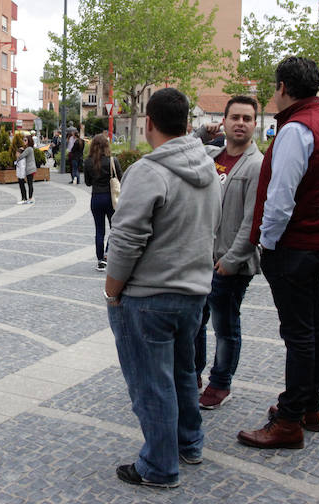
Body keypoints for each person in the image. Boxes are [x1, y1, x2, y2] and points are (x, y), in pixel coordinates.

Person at [104, 88, 221, 489]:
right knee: (183, 374)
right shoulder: (208, 169)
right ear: (187, 123)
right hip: (193, 293)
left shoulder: (148, 172)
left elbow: (126, 238)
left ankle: (158, 466)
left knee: (151, 383)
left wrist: (111, 290)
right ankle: (190, 444)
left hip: (149, 297)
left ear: (149, 123)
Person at [237, 56, 319, 450]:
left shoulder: (296, 129)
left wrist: (267, 242)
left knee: (299, 335)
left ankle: (289, 421)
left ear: (283, 87)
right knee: (314, 328)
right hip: (318, 242)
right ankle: (308, 407)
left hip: (294, 247)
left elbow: (280, 198)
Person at [191, 96, 263, 410]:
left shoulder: (258, 165)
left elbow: (254, 220)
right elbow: (182, 148)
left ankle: (221, 382)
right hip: (202, 259)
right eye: (235, 117)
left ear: (254, 124)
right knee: (194, 321)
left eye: (247, 118)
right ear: (225, 120)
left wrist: (232, 260)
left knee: (225, 326)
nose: (240, 123)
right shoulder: (212, 154)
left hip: (229, 264)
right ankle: (192, 373)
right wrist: (202, 133)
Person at [84, 133, 121, 271]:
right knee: (115, 228)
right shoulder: (112, 160)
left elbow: (87, 183)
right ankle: (107, 254)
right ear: (107, 145)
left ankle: (100, 260)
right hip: (111, 199)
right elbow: (120, 178)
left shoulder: (88, 162)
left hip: (96, 199)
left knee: (99, 230)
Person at [15, 134, 36, 204]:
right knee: (28, 183)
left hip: (30, 169)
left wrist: (19, 152)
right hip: (30, 168)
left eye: (25, 140)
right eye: (23, 140)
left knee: (29, 184)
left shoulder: (29, 149)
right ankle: (27, 198)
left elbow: (21, 156)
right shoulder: (28, 149)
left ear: (29, 141)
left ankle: (29, 198)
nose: (24, 141)